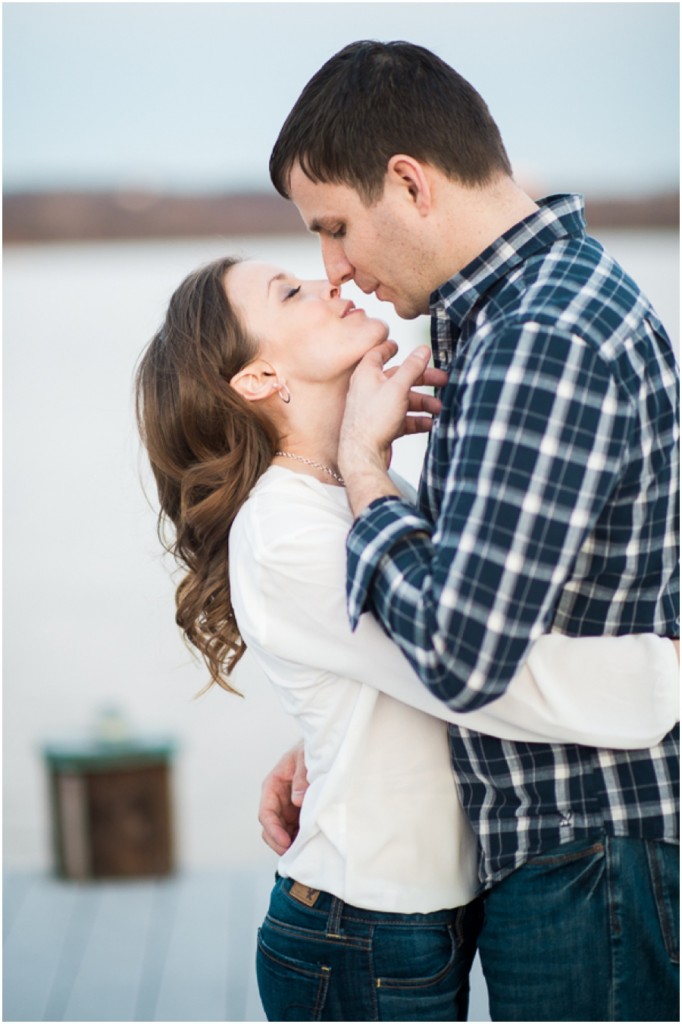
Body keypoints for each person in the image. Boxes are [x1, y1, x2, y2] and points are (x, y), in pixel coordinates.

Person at [136, 255, 679, 1022]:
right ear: (257, 380)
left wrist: (319, 744)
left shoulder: (356, 494)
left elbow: (413, 663)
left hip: (416, 918)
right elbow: (477, 675)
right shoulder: (286, 529)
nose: (328, 282)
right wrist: (664, 674)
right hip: (357, 931)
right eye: (289, 292)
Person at [263, 40, 680, 1021]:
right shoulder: (522, 315)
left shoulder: (538, 338)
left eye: (335, 228)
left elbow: (461, 649)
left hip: (584, 848)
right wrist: (339, 731)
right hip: (579, 843)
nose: (335, 271)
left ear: (407, 182)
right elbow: (502, 595)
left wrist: (366, 475)